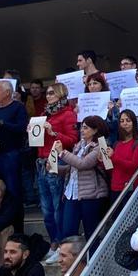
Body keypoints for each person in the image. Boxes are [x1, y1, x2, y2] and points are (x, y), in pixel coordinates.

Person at [36, 83, 77, 265]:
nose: (48, 96)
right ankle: (54, 242)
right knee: (46, 209)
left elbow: (73, 139)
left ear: (61, 95)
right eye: (47, 93)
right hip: (42, 162)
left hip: (56, 162)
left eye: (52, 93)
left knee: (56, 206)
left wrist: (53, 132)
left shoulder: (68, 114)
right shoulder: (46, 115)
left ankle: (60, 244)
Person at [57, 116, 110, 239]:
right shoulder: (79, 145)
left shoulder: (99, 147)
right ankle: (72, 257)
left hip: (91, 195)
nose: (81, 130)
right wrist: (54, 169)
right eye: (81, 127)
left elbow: (83, 164)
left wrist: (63, 153)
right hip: (72, 193)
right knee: (67, 232)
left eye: (85, 128)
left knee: (91, 233)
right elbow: (72, 169)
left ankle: (92, 258)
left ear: (95, 130)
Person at [0, 80, 28, 202]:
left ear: (8, 92)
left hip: (11, 154)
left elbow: (22, 128)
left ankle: (15, 220)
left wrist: (2, 123)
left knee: (12, 189)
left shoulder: (18, 107)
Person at [108, 110, 138, 193]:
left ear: (134, 123)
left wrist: (113, 157)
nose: (125, 123)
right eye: (122, 121)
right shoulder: (117, 144)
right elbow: (112, 169)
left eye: (128, 120)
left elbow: (134, 166)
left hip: (129, 188)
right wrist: (103, 160)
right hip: (114, 188)